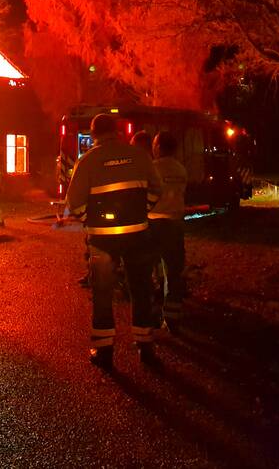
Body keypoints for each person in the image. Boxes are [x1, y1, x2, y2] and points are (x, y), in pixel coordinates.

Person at [66, 114, 162, 369]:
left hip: (102, 239)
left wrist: (92, 221)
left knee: (103, 293)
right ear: (117, 131)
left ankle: (104, 351)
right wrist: (142, 211)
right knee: (141, 290)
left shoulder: (87, 161)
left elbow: (73, 203)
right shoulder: (140, 156)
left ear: (94, 133)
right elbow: (156, 189)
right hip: (138, 234)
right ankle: (145, 347)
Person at [149, 131, 188, 334]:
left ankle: (152, 316)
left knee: (150, 271)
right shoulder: (181, 169)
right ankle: (172, 319)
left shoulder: (152, 168)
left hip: (154, 225)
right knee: (173, 272)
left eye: (155, 144)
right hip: (175, 225)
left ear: (159, 147)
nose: (153, 148)